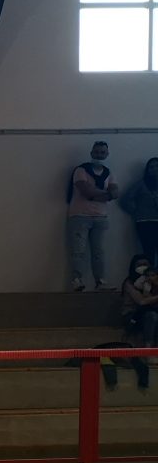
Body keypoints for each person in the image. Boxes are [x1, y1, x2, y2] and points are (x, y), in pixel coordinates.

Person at [67, 139, 118, 292]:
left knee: (99, 252)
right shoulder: (81, 170)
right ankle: (76, 280)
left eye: (102, 152)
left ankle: (100, 282)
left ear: (107, 154)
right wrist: (106, 194)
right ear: (91, 153)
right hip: (80, 216)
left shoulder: (109, 173)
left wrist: (98, 194)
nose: (99, 155)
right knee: (78, 251)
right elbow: (86, 192)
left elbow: (115, 193)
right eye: (96, 152)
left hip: (101, 217)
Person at [121, 158, 158, 266]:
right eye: (151, 167)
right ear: (147, 170)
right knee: (149, 251)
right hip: (146, 222)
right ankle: (150, 275)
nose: (154, 169)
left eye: (157, 166)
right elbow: (126, 199)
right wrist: (137, 211)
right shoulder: (142, 184)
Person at [121, 253, 158, 349]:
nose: (142, 267)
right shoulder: (129, 282)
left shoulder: (154, 282)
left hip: (151, 310)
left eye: (145, 264)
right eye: (139, 265)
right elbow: (141, 301)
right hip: (132, 314)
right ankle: (148, 347)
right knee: (152, 316)